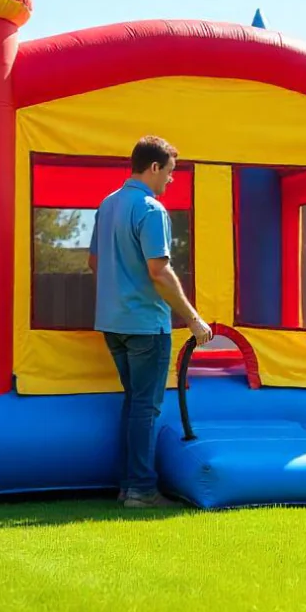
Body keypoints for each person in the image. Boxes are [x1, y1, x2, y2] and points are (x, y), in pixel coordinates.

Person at [89, 135, 214, 508]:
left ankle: (130, 487)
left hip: (112, 323)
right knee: (146, 407)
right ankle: (141, 491)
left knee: (136, 404)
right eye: (170, 173)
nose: (171, 181)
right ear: (154, 167)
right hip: (145, 325)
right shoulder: (151, 209)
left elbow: (94, 263)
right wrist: (193, 319)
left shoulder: (107, 204)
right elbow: (160, 271)